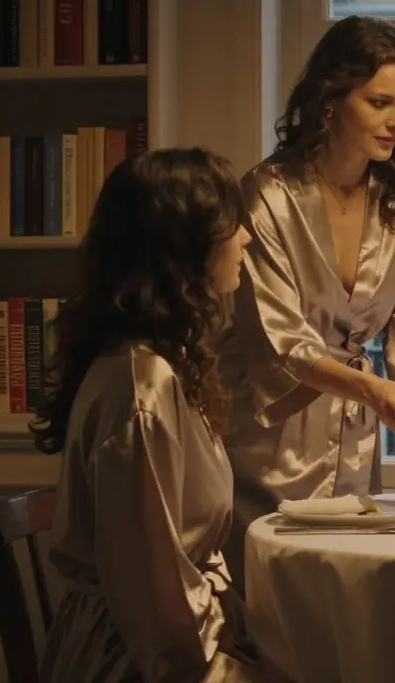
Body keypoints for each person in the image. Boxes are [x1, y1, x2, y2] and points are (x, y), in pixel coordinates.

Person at [217, 15, 395, 587]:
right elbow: (279, 341)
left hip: (353, 445)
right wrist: (371, 388)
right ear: (329, 102)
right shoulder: (265, 194)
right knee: (267, 607)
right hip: (268, 438)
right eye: (379, 103)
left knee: (340, 605)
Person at [31, 148, 266, 682]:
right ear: (185, 246)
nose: (246, 238)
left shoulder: (157, 367)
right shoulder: (143, 388)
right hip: (134, 661)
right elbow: (154, 605)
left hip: (173, 635)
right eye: (233, 224)